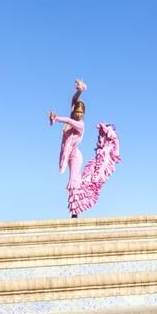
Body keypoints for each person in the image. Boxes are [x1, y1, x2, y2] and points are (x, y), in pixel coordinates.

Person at [49, 80, 120, 218]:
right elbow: (74, 99)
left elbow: (69, 122)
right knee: (74, 181)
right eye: (77, 111)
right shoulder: (72, 115)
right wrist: (81, 90)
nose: (79, 114)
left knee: (73, 181)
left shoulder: (80, 124)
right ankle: (74, 211)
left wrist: (56, 119)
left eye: (81, 112)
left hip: (75, 156)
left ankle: (75, 212)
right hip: (68, 155)